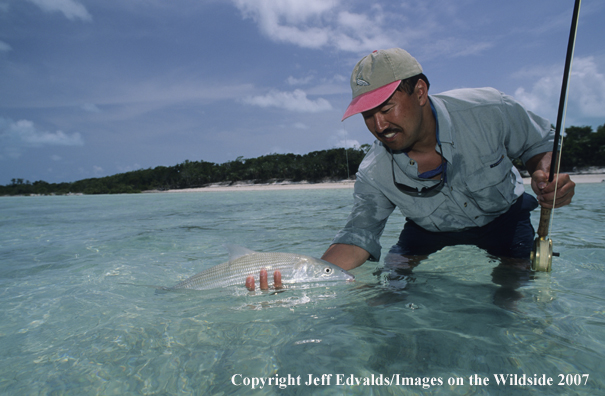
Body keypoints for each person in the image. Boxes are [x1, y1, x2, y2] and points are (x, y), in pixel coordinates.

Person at [247, 48, 575, 290]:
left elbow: (539, 143)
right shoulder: (373, 172)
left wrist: (545, 173)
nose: (378, 125)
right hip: (426, 230)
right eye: (366, 115)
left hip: (505, 218)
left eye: (387, 108)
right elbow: (359, 235)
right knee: (389, 291)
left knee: (514, 298)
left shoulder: (489, 109)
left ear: (419, 92)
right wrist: (301, 278)